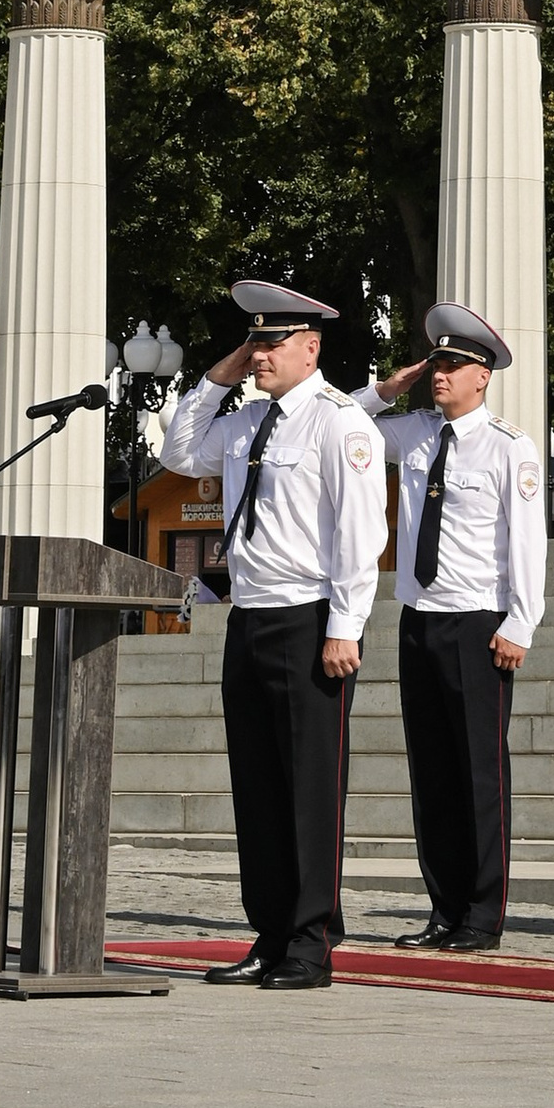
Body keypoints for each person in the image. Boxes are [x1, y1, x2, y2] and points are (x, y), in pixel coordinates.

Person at [159, 275, 387, 991]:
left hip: (309, 616)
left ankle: (311, 941)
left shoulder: (340, 421)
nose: (258, 354)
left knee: (309, 787)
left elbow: (359, 531)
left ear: (310, 346)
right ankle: (268, 930)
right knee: (256, 786)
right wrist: (215, 374)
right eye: (253, 341)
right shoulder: (247, 420)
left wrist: (345, 626)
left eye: (271, 341)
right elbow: (178, 450)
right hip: (250, 615)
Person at [353, 302, 546, 955]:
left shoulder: (509, 447)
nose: (441, 373)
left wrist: (521, 620)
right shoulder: (411, 434)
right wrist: (386, 388)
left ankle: (482, 912)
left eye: (454, 364)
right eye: (436, 362)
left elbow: (527, 541)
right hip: (419, 620)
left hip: (479, 622)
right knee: (431, 772)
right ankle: (443, 906)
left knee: (479, 774)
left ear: (483, 375)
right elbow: (345, 424)